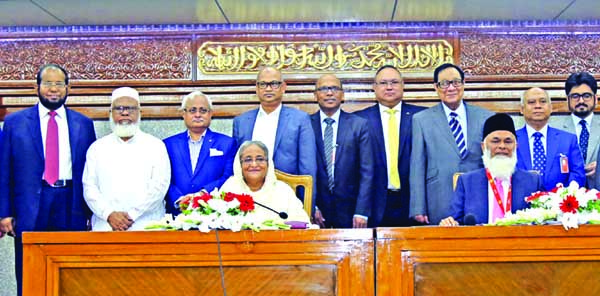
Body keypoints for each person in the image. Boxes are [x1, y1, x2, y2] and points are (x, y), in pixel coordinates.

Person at [0, 64, 96, 296]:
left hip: (70, 203)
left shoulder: (83, 124)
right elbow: (4, 170)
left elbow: (91, 171)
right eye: (48, 83)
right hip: (31, 205)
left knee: (72, 269)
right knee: (30, 267)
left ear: (67, 88)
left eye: (59, 84)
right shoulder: (15, 123)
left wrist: (91, 212)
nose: (54, 89)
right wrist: (4, 212)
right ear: (37, 87)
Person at [410, 63, 494, 225]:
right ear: (436, 87)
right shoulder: (422, 120)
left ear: (463, 84)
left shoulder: (485, 117)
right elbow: (417, 165)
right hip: (439, 196)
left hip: (477, 195)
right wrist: (417, 207)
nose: (451, 88)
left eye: (456, 82)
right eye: (444, 83)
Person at [83, 87, 170, 231]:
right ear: (110, 113)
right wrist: (109, 214)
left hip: (147, 226)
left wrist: (131, 215)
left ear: (140, 113)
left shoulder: (156, 146)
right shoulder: (97, 148)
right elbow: (89, 188)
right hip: (106, 225)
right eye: (119, 108)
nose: (125, 113)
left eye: (130, 108)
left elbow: (159, 188)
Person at [232, 67, 317, 210]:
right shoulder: (241, 121)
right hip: (249, 198)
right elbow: (236, 165)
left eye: (274, 84)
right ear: (257, 88)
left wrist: (308, 204)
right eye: (263, 84)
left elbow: (307, 167)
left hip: (287, 196)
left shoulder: (300, 119)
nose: (268, 89)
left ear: (283, 87)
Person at [440, 113, 543, 226]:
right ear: (483, 146)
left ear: (516, 146)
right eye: (495, 141)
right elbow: (455, 221)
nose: (502, 146)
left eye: (508, 142)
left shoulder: (532, 181)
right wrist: (449, 223)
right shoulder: (467, 181)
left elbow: (542, 221)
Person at [354, 65, 424, 227]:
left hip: (413, 203)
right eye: (383, 83)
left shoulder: (422, 117)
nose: (389, 87)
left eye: (394, 82)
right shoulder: (359, 120)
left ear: (403, 85)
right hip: (374, 203)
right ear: (374, 87)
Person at [310, 74, 374, 228]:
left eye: (335, 88)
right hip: (316, 211)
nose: (329, 93)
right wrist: (311, 205)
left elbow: (367, 171)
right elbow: (301, 170)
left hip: (351, 211)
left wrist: (361, 211)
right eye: (324, 88)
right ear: (315, 95)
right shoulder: (305, 124)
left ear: (342, 94)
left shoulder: (359, 125)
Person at [164, 91, 236, 214]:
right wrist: (179, 199)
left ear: (210, 114)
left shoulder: (227, 143)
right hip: (176, 213)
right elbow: (163, 178)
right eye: (192, 110)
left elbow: (229, 176)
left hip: (213, 212)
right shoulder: (168, 144)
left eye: (203, 110)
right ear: (183, 114)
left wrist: (203, 194)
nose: (197, 115)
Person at [220, 141, 310, 223]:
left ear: (268, 163)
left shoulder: (283, 190)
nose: (254, 164)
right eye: (248, 160)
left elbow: (302, 222)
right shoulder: (230, 188)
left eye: (260, 159)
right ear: (240, 164)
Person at [516, 87, 585, 190]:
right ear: (521, 109)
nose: (538, 106)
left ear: (551, 108)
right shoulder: (511, 140)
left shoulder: (568, 140)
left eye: (543, 102)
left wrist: (565, 193)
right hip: (520, 203)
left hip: (557, 203)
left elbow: (577, 173)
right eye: (531, 102)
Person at [558, 72, 600, 188]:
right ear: (568, 100)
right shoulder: (556, 129)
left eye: (586, 96)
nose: (581, 101)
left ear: (595, 99)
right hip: (567, 195)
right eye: (575, 96)